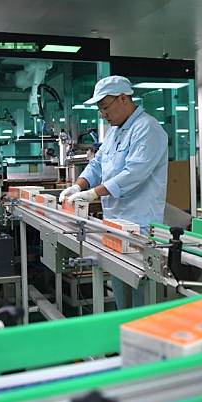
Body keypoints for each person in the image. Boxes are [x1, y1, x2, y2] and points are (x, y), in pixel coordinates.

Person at [59, 75, 168, 309]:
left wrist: (93, 194)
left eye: (105, 107)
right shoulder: (115, 132)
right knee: (120, 288)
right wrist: (79, 185)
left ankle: (141, 342)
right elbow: (97, 163)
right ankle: (123, 338)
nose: (103, 114)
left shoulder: (148, 129)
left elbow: (134, 174)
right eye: (100, 110)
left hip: (140, 227)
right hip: (115, 225)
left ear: (123, 98)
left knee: (141, 294)